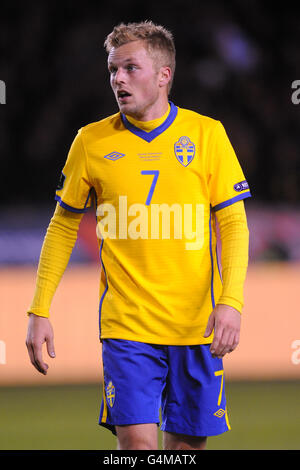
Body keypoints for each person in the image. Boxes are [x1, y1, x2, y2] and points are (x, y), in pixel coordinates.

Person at [26, 20, 251, 451]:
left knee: (184, 451)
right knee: (139, 449)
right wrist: (39, 309)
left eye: (130, 68)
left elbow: (234, 225)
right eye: (113, 69)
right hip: (127, 327)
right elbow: (62, 225)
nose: (118, 79)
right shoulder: (90, 142)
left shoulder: (208, 135)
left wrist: (231, 303)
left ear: (164, 75)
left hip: (196, 326)